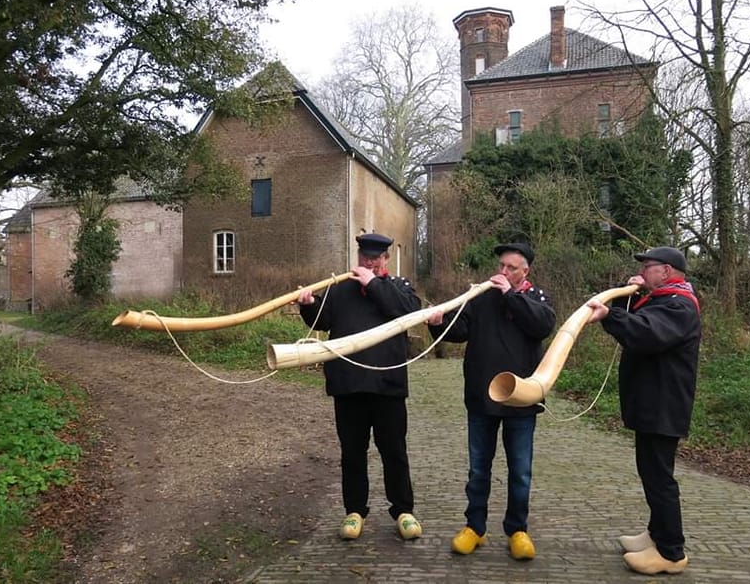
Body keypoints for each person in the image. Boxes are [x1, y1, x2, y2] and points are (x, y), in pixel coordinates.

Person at [426, 242, 556, 560]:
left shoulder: (535, 298)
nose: (503, 272)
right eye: (501, 266)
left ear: (525, 271)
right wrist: (438, 323)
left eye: (511, 268)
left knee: (520, 471)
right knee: (478, 469)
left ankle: (517, 531)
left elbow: (542, 326)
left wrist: (510, 295)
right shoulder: (482, 297)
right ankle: (475, 528)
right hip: (482, 399)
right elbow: (460, 331)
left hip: (521, 400)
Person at [297, 232, 423, 542]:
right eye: (364, 257)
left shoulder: (400, 288)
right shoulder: (340, 290)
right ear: (358, 257)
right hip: (348, 386)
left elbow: (408, 312)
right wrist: (309, 306)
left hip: (388, 386)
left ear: (385, 260)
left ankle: (403, 510)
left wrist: (373, 283)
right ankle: (354, 511)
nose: (368, 262)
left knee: (393, 451)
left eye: (375, 258)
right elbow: (322, 321)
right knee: (352, 453)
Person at [584, 246, 701, 576]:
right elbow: (638, 318)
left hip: (664, 408)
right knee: (650, 473)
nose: (642, 271)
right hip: (652, 406)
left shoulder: (679, 306)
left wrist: (610, 315)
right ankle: (656, 534)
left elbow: (646, 332)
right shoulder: (663, 299)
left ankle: (671, 552)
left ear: (666, 272)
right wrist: (622, 302)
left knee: (659, 479)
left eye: (648, 267)